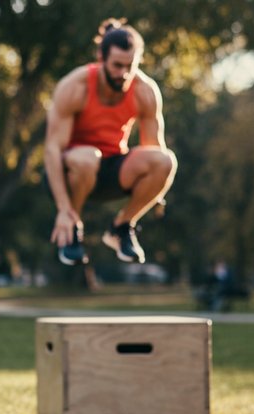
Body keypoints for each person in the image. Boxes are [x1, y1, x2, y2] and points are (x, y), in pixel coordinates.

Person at [45, 18, 177, 265]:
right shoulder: (75, 86)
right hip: (71, 170)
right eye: (117, 65)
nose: (124, 74)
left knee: (166, 160)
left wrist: (154, 192)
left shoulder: (145, 90)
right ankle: (72, 224)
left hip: (111, 170)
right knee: (87, 158)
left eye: (131, 66)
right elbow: (52, 150)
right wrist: (62, 208)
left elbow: (153, 148)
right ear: (101, 57)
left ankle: (121, 227)